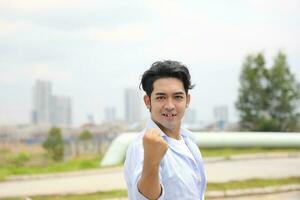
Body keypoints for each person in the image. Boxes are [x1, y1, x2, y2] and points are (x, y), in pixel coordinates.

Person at [124, 60, 206, 200]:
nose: (169, 105)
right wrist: (151, 160)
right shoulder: (142, 146)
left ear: (187, 100)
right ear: (148, 101)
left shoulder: (189, 142)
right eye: (161, 97)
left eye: (178, 97)